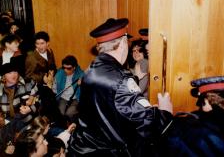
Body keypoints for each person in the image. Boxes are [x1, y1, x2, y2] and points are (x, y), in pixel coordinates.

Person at [67, 18, 173, 157]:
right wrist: (164, 112)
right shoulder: (121, 79)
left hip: (83, 147)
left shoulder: (90, 70)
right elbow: (146, 122)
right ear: (123, 43)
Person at [53, 55, 84, 122]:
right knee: (60, 113)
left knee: (69, 113)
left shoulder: (81, 75)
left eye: (69, 68)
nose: (65, 70)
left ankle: (73, 126)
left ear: (74, 67)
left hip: (76, 98)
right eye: (64, 67)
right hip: (63, 98)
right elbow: (54, 89)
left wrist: (82, 84)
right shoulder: (59, 74)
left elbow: (87, 91)